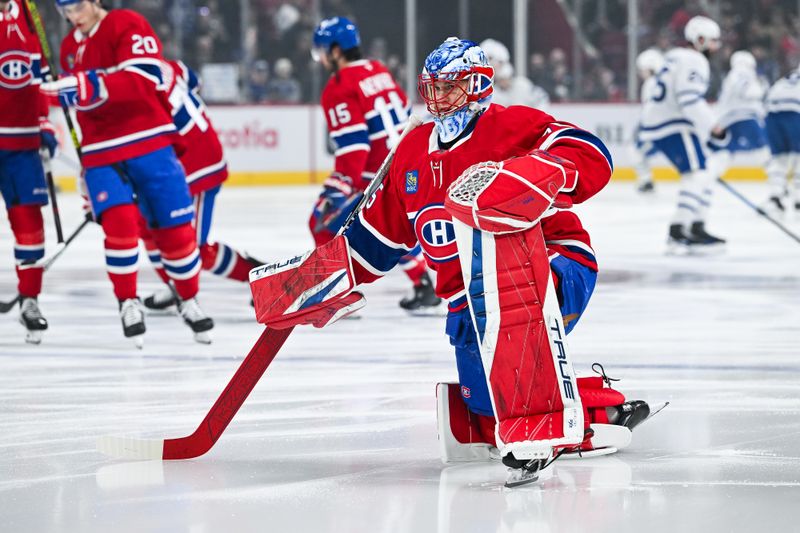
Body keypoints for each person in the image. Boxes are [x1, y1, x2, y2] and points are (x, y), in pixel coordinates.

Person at [251, 38, 650, 486]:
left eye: (451, 88)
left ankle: (552, 422)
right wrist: (309, 281)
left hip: (556, 262)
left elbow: (592, 154)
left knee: (510, 322)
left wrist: (536, 173)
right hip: (468, 296)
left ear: (478, 85)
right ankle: (601, 409)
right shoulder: (412, 151)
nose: (438, 100)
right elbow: (374, 243)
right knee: (483, 406)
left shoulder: (511, 125)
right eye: (431, 89)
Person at [43, 0, 213, 347]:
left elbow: (146, 74)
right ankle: (127, 302)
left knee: (176, 233)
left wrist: (91, 84)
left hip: (149, 143)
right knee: (119, 226)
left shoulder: (126, 23)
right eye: (65, 11)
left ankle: (188, 298)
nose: (72, 17)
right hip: (101, 153)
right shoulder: (69, 47)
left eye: (76, 7)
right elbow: (81, 104)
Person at [309, 16, 440, 312]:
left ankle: (336, 297)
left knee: (321, 221)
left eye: (321, 51)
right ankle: (422, 283)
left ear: (335, 51)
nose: (320, 59)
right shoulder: (378, 69)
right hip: (405, 163)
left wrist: (340, 187)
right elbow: (408, 117)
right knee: (391, 227)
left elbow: (355, 149)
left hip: (375, 174)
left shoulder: (339, 86)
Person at [139, 59, 263, 311]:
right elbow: (194, 80)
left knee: (193, 249)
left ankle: (261, 277)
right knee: (149, 226)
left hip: (197, 167)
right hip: (188, 162)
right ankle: (176, 285)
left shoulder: (137, 85)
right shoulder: (165, 63)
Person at [640, 15, 725, 252]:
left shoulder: (674, 56)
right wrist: (714, 127)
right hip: (672, 124)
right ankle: (679, 229)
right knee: (698, 174)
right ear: (700, 40)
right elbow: (689, 100)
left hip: (661, 122)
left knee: (703, 172)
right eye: (713, 41)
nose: (716, 47)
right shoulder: (695, 60)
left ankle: (694, 225)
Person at [0, 0, 57, 344]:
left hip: (21, 144)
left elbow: (40, 75)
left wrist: (44, 125)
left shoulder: (28, 10)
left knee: (30, 227)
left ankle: (30, 301)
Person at [706, 50, 769, 191]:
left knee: (725, 153)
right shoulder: (742, 72)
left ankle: (706, 181)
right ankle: (778, 190)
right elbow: (749, 92)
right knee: (764, 152)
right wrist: (762, 86)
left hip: (727, 120)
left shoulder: (731, 75)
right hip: (744, 118)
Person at [763, 66, 800, 213]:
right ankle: (798, 198)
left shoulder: (785, 79)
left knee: (780, 158)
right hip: (795, 113)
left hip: (772, 115)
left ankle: (776, 194)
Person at [479, 38, 550, 111]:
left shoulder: (522, 85)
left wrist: (536, 117)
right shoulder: (493, 93)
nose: (504, 82)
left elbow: (541, 98)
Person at [632, 49, 665, 194]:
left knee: (635, 152)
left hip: (654, 129)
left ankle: (646, 181)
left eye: (643, 69)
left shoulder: (650, 83)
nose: (641, 73)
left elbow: (649, 109)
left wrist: (642, 127)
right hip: (664, 127)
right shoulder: (662, 82)